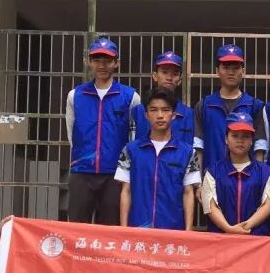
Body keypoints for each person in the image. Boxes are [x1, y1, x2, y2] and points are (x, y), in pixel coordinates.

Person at [65, 37, 141, 224]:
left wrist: (126, 169)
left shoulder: (130, 97)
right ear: (88, 62)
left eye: (107, 60)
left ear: (116, 63)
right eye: (97, 60)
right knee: (77, 227)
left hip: (114, 173)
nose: (102, 65)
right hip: (82, 171)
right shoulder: (75, 95)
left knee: (110, 229)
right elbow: (71, 133)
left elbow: (134, 136)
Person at [116, 88, 201, 230]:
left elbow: (188, 193)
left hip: (172, 230)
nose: (160, 115)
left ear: (174, 115)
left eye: (165, 110)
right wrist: (124, 229)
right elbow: (126, 191)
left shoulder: (187, 152)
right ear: (146, 115)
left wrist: (188, 231)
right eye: (154, 110)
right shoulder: (130, 150)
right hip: (138, 229)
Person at [195, 42, 267, 175]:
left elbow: (259, 146)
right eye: (226, 67)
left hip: (246, 179)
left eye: (236, 68)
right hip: (211, 177)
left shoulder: (254, 105)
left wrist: (258, 178)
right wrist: (198, 179)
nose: (231, 72)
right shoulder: (204, 105)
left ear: (243, 71)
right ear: (217, 71)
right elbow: (198, 146)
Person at [201, 111, 270, 235]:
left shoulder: (266, 172)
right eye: (235, 135)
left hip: (255, 240)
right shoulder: (213, 172)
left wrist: (245, 227)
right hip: (222, 240)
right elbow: (210, 206)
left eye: (246, 136)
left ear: (252, 140)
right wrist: (228, 228)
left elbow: (269, 205)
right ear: (226, 139)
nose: (240, 140)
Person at [131, 51, 195, 145]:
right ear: (155, 76)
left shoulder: (189, 114)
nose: (169, 78)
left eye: (175, 73)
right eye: (164, 72)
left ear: (180, 80)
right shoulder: (138, 111)